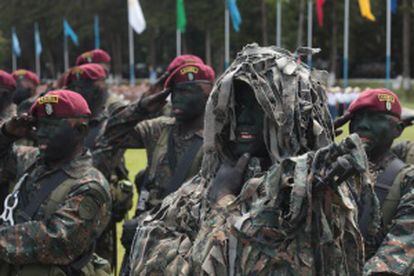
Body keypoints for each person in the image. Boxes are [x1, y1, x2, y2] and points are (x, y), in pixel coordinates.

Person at [128, 44, 371, 275]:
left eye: (257, 106)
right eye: (237, 105)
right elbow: (151, 260)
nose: (242, 117)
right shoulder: (197, 191)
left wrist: (221, 202)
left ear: (290, 114)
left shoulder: (311, 198)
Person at [99, 61, 214, 275]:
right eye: (174, 92)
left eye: (188, 91)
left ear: (209, 95)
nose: (178, 98)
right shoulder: (159, 129)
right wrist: (141, 108)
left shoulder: (218, 138)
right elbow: (109, 136)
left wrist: (148, 226)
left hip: (186, 247)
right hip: (141, 243)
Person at [0, 89, 112, 276]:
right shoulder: (31, 161)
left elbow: (58, 239)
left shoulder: (90, 184)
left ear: (80, 130)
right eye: (39, 125)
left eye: (52, 126)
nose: (42, 133)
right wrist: (6, 134)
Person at [336, 88, 414, 275]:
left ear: (398, 129)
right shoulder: (333, 171)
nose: (362, 125)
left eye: (375, 118)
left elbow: (396, 255)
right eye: (357, 118)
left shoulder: (406, 181)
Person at [65, 63, 132, 269]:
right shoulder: (64, 124)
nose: (79, 91)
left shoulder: (108, 125)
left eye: (86, 87)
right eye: (75, 87)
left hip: (101, 210)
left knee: (99, 266)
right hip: (66, 208)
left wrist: (121, 197)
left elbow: (119, 171)